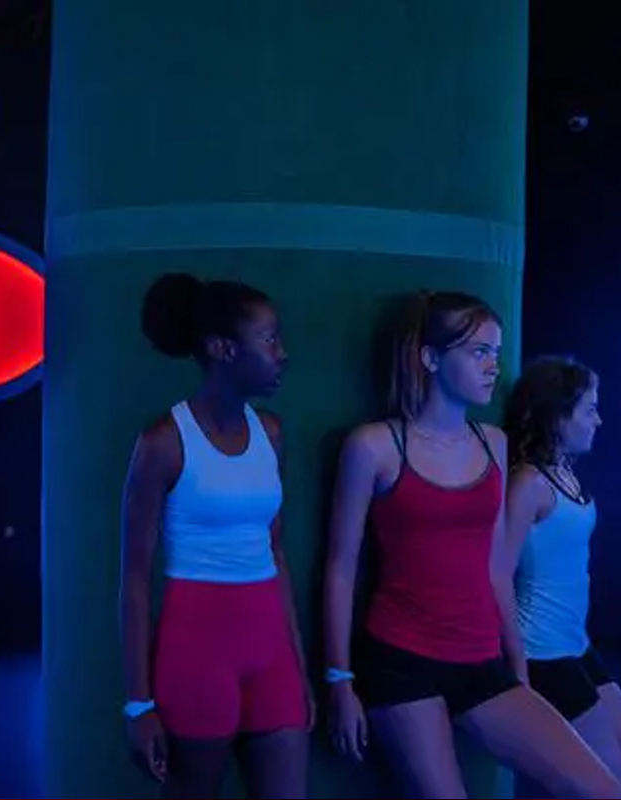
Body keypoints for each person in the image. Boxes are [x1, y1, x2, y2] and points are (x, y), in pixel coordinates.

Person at [323, 290, 621, 798]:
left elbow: (494, 566)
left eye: (495, 352)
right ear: (431, 358)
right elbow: (340, 568)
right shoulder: (374, 446)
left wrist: (517, 665)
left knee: (601, 788)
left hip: (482, 659)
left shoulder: (493, 443)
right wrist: (339, 680)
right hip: (402, 662)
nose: (492, 366)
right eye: (478, 351)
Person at [119, 273, 311, 798]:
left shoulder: (271, 434)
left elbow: (275, 551)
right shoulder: (164, 442)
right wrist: (138, 704)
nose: (282, 354)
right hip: (197, 651)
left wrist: (296, 664)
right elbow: (135, 579)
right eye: (269, 339)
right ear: (223, 349)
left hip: (270, 648)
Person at [504, 356, 621, 780]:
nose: (598, 421)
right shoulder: (528, 483)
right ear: (558, 417)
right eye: (589, 410)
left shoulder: (565, 473)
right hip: (542, 650)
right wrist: (516, 663)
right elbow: (497, 575)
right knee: (609, 776)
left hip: (574, 641)